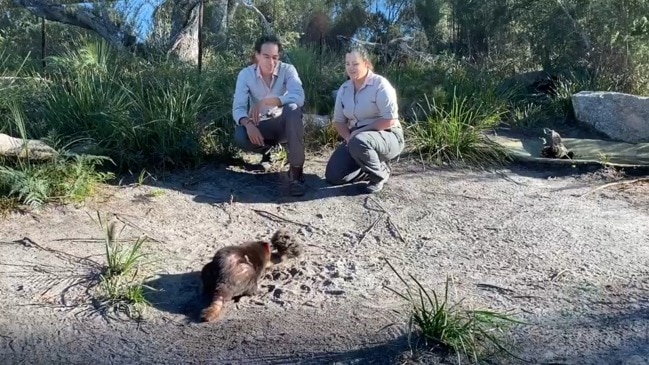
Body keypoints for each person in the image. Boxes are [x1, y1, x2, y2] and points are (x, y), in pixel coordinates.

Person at [232, 35, 307, 196]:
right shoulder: (245, 75)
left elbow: (299, 96)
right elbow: (238, 108)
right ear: (257, 55)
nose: (271, 62)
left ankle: (296, 173)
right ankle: (266, 151)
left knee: (293, 108)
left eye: (275, 57)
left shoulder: (288, 70)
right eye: (266, 56)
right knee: (240, 134)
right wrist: (248, 124)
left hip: (283, 123)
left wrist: (272, 100)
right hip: (261, 125)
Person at [325, 45, 405, 193]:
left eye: (355, 64)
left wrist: (359, 133)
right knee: (333, 176)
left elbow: (390, 120)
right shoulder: (344, 89)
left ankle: (379, 175)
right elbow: (339, 121)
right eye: (347, 63)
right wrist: (348, 137)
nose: (351, 68)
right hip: (357, 139)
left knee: (360, 140)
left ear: (366, 64)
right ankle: (370, 166)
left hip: (389, 135)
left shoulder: (380, 84)